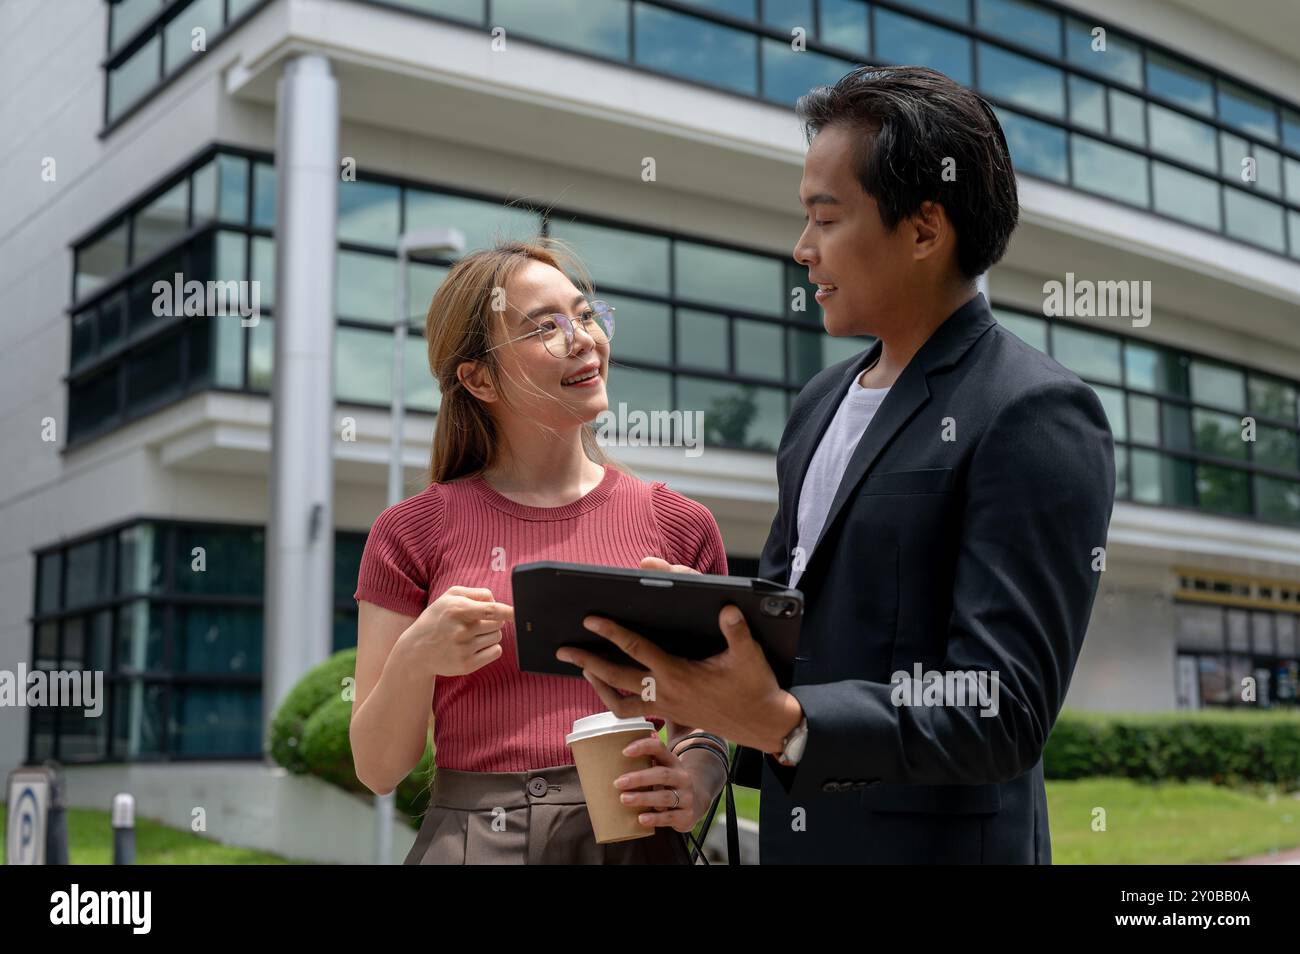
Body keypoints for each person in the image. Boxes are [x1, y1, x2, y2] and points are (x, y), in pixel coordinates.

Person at [557, 66, 1116, 863]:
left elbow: (1004, 709)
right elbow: (790, 663)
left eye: (827, 218)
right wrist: (696, 701)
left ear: (925, 231)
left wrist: (784, 723)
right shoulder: (818, 403)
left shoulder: (1033, 411)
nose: (802, 249)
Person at [350, 239, 731, 864]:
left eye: (585, 316)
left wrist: (695, 779)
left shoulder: (679, 523)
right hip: (471, 844)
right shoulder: (409, 531)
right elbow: (377, 769)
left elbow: (710, 712)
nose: (583, 339)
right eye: (545, 328)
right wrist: (418, 655)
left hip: (633, 837)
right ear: (477, 378)